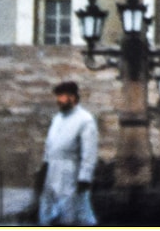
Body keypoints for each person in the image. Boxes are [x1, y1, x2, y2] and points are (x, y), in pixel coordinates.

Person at [36, 81, 98, 226]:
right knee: (48, 210)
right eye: (58, 96)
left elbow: (89, 151)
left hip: (71, 171)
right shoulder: (57, 119)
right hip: (53, 170)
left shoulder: (85, 120)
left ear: (72, 97)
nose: (59, 100)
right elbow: (50, 145)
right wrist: (45, 166)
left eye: (62, 96)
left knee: (73, 211)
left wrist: (85, 177)